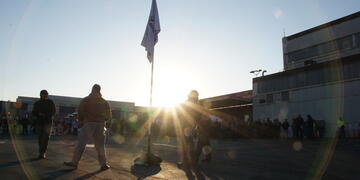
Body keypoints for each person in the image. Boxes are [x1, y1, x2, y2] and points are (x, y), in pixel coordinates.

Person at [64, 84, 112, 170]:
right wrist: (103, 120)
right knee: (100, 146)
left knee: (81, 144)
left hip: (89, 123)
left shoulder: (86, 100)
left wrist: (81, 121)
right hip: (100, 124)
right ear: (99, 90)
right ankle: (103, 164)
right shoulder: (104, 102)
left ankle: (74, 163)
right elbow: (108, 115)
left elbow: (80, 111)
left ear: (92, 89)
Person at [178, 90, 203, 169]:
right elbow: (199, 116)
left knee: (186, 144)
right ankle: (193, 162)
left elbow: (182, 114)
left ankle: (186, 163)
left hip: (186, 126)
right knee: (190, 144)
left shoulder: (188, 103)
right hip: (191, 126)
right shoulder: (198, 103)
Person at [32, 90, 56, 159]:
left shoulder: (50, 102)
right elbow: (33, 112)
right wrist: (38, 114)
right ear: (40, 95)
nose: (45, 95)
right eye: (44, 94)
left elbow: (54, 111)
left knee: (46, 138)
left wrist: (46, 114)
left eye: (46, 94)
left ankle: (43, 152)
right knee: (40, 138)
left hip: (48, 122)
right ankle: (41, 152)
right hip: (39, 122)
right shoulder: (37, 103)